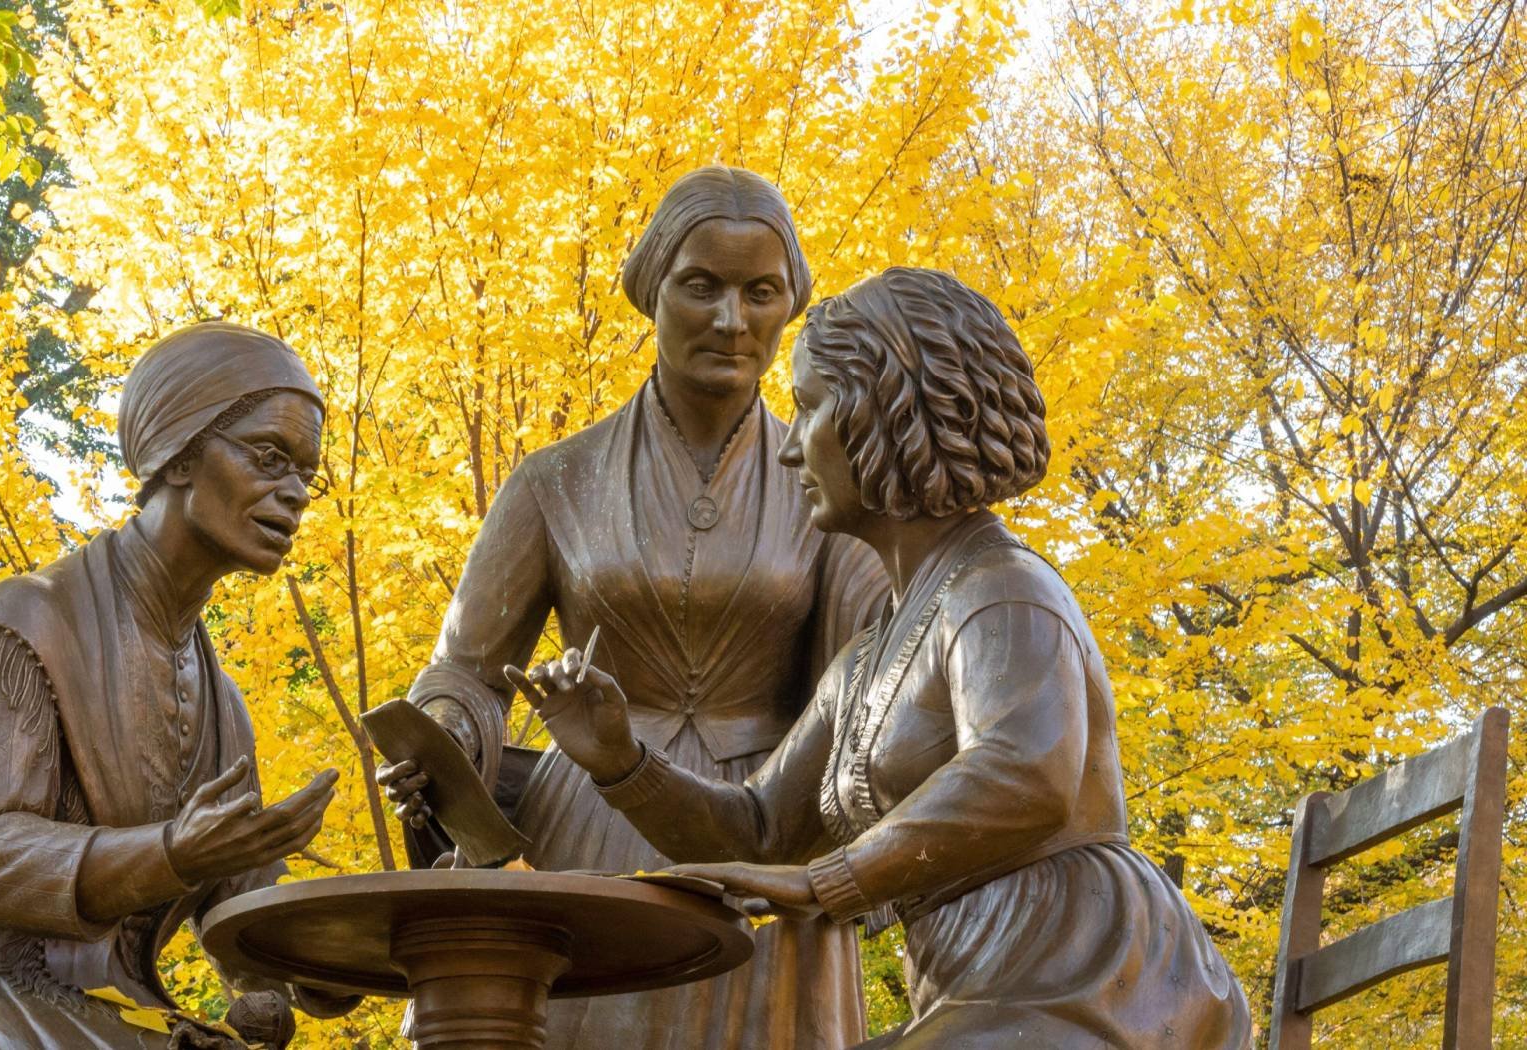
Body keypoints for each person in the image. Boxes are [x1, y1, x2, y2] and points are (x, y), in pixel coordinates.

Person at [506, 269, 1255, 1048]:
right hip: (986, 995)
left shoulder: (1001, 589)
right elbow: (758, 827)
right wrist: (621, 761)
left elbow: (1027, 770)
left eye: (810, 408)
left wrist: (829, 880)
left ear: (889, 414)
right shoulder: (867, 661)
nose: (790, 448)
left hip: (1090, 983)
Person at [378, 166, 886, 1050]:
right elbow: (465, 666)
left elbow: (873, 676)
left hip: (765, 836)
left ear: (790, 307)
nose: (731, 320)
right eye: (702, 286)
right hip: (592, 825)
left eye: (761, 292)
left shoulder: (831, 485)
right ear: (653, 288)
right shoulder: (555, 479)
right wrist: (449, 735)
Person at [0, 322, 358, 1049]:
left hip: (113, 1011)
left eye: (307, 473)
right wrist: (170, 853)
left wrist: (359, 941)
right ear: (178, 454)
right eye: (270, 456)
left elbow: (241, 920)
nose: (297, 493)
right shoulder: (32, 615)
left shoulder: (226, 706)